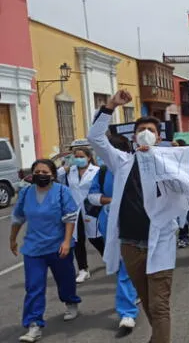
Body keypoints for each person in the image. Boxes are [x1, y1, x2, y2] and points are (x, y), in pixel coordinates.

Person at [88, 90, 177, 343]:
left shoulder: (172, 164)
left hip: (159, 244)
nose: (145, 133)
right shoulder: (122, 162)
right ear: (134, 137)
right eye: (141, 130)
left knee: (160, 307)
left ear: (159, 137)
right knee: (149, 304)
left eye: (151, 130)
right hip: (130, 246)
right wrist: (111, 105)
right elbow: (95, 137)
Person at [10, 159, 81, 342]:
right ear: (32, 174)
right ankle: (34, 325)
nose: (41, 175)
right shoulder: (26, 193)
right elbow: (18, 218)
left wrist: (66, 242)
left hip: (58, 246)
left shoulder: (61, 192)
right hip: (34, 249)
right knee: (34, 286)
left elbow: (70, 218)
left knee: (65, 280)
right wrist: (12, 239)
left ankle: (70, 301)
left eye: (45, 172)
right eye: (37, 172)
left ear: (53, 175)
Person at [86, 133, 139, 337]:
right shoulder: (102, 172)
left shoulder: (135, 167)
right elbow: (93, 196)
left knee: (128, 267)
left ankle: (127, 312)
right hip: (110, 225)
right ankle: (130, 299)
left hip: (134, 224)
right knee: (120, 267)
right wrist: (111, 200)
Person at [58, 146, 104, 283]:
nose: (78, 159)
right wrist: (65, 168)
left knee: (95, 238)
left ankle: (109, 258)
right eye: (75, 157)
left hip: (91, 209)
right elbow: (56, 176)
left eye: (81, 156)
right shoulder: (69, 171)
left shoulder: (96, 171)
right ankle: (83, 269)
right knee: (77, 240)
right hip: (74, 210)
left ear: (89, 157)